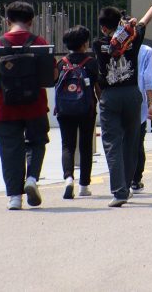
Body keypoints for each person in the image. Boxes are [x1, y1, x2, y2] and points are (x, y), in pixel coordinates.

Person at [93, 0, 152, 207]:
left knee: (112, 144)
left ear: (102, 27)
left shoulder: (97, 44)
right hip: (131, 95)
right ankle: (127, 186)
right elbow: (145, 21)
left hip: (110, 96)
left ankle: (119, 191)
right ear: (120, 22)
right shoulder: (133, 38)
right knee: (131, 141)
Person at [0, 2, 53, 210]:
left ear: (7, 20)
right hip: (36, 106)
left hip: (5, 107)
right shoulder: (39, 42)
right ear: (31, 21)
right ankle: (31, 178)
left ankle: (14, 197)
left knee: (10, 150)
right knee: (37, 142)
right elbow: (52, 76)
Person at [55, 25, 100, 199]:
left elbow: (54, 83)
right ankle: (84, 186)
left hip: (64, 109)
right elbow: (97, 88)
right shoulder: (91, 63)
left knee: (67, 145)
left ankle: (68, 178)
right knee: (85, 145)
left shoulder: (62, 63)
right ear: (84, 43)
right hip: (86, 109)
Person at [131, 42, 152, 193]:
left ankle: (122, 180)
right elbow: (148, 78)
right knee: (137, 141)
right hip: (137, 101)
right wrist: (151, 103)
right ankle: (135, 180)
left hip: (115, 101)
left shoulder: (109, 47)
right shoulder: (145, 50)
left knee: (120, 142)